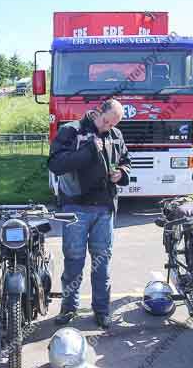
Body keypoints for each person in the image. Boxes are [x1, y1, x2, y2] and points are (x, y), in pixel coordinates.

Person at [48, 99, 131, 329]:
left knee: (102, 264)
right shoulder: (71, 131)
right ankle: (69, 308)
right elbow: (55, 164)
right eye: (106, 122)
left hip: (104, 209)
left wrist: (122, 173)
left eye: (113, 124)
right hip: (76, 208)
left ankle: (102, 311)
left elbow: (126, 161)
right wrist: (88, 151)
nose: (108, 127)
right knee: (74, 262)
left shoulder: (115, 134)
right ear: (97, 113)